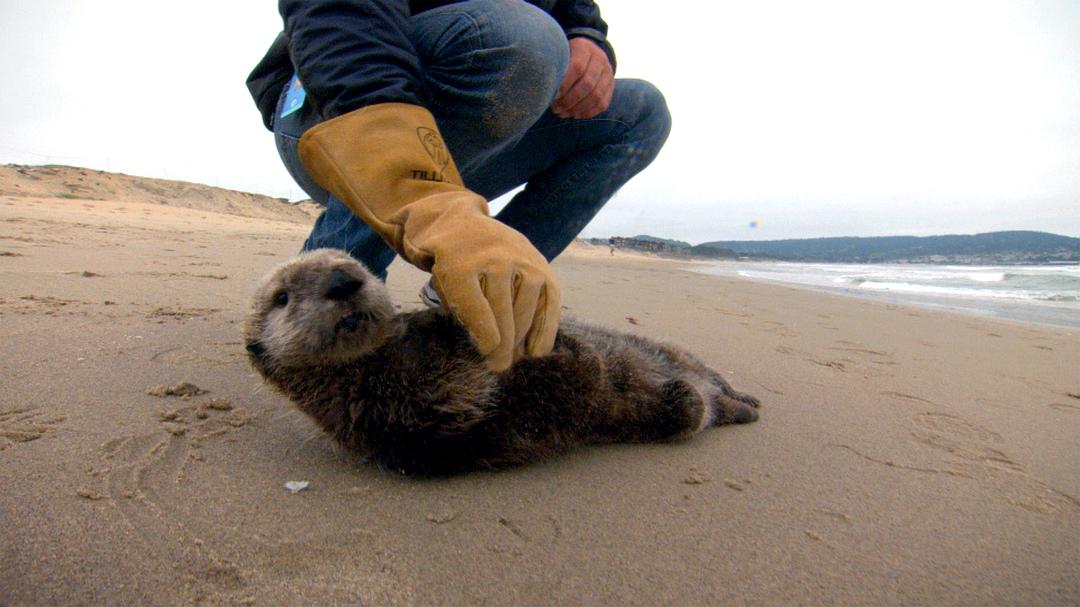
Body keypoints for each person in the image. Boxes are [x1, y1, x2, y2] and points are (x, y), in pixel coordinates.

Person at [246, 0, 671, 372]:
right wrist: (416, 192)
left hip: (480, 119)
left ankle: (478, 294)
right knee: (527, 40)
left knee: (642, 112)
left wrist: (586, 35)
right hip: (332, 98)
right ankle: (326, 305)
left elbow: (575, 10)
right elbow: (340, 15)